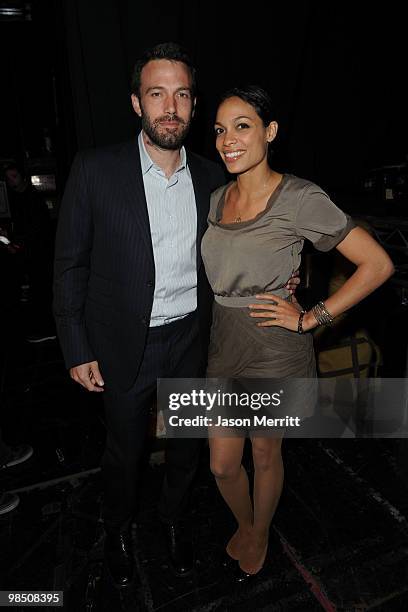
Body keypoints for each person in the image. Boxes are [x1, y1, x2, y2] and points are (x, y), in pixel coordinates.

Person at [201, 85, 394, 583]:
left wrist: (312, 317)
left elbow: (377, 264)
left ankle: (259, 529)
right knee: (223, 464)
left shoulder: (300, 196)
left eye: (242, 126)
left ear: (270, 132)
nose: (228, 139)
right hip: (224, 343)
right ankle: (246, 523)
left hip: (275, 349)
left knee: (265, 452)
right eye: (220, 129)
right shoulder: (218, 198)